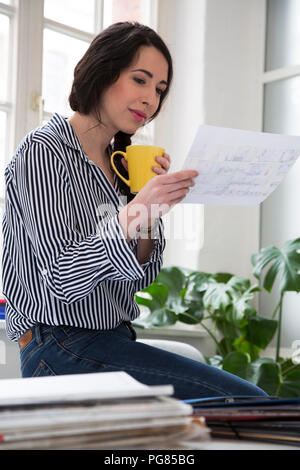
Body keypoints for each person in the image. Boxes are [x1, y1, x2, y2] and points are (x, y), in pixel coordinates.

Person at [2, 22, 267, 399]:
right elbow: (58, 280)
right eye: (140, 80)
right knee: (248, 401)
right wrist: (135, 211)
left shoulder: (121, 164)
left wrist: (148, 210)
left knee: (234, 409)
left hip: (110, 341)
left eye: (159, 90)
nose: (151, 99)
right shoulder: (44, 150)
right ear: (103, 71)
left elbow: (140, 278)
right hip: (58, 347)